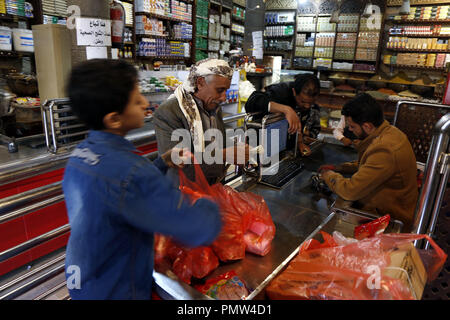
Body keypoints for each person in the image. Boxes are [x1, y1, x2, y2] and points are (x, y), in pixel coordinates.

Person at [63, 59, 222, 300]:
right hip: (118, 288)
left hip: (84, 278)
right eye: (137, 100)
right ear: (114, 119)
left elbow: (119, 194)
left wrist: (161, 163)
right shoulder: (133, 172)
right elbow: (196, 228)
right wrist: (212, 205)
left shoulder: (80, 156)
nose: (146, 103)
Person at [318, 93, 419, 231]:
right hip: (386, 210)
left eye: (353, 127)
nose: (350, 130)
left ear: (367, 126)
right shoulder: (391, 132)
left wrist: (328, 175)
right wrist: (339, 168)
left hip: (389, 223)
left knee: (329, 227)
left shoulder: (385, 149)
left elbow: (350, 191)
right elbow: (369, 164)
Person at [154, 58, 249, 185]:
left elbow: (218, 141)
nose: (224, 97)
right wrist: (223, 155)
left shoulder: (214, 107)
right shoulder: (170, 112)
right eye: (220, 90)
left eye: (226, 90)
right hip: (184, 195)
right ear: (200, 83)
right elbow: (179, 164)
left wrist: (237, 150)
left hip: (213, 188)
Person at [244, 73, 322, 155]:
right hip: (260, 143)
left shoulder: (311, 106)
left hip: (283, 147)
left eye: (311, 103)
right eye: (303, 101)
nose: (307, 106)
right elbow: (252, 102)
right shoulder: (280, 91)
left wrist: (300, 142)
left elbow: (308, 128)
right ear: (294, 92)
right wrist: (286, 109)